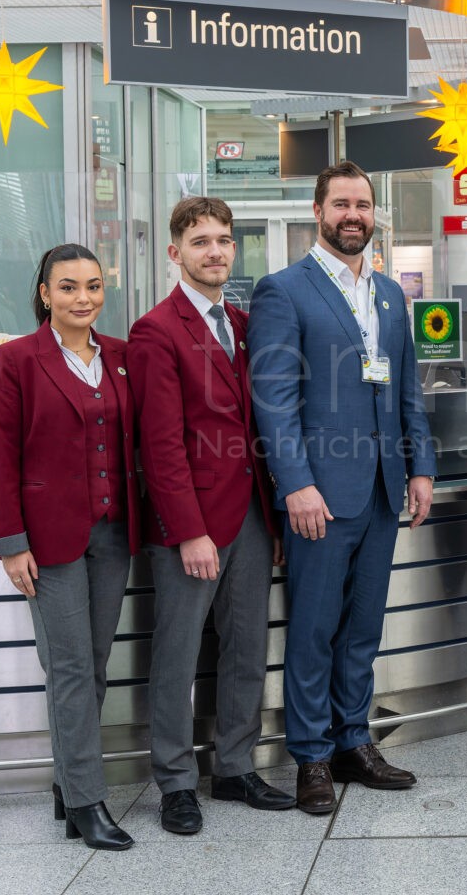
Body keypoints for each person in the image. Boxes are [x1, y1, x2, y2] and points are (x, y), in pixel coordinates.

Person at [249, 161, 437, 814]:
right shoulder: (284, 290)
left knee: (362, 628)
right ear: (318, 210)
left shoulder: (390, 294)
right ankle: (311, 756)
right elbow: (272, 400)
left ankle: (354, 741)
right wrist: (295, 483)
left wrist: (421, 467)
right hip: (320, 499)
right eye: (341, 204)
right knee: (314, 629)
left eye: (363, 204)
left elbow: (407, 389)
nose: (353, 214)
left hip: (383, 490)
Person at [127, 197, 294, 836]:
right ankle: (174, 781)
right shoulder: (156, 331)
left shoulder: (245, 326)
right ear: (176, 253)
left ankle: (233, 766)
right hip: (191, 522)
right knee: (177, 652)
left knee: (247, 646)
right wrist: (189, 530)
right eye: (200, 242)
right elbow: (160, 444)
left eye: (224, 240)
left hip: (251, 513)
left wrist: (271, 521)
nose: (216, 252)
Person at [0, 244, 139, 851]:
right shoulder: (16, 360)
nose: (84, 299)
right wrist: (10, 544)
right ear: (45, 293)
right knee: (70, 667)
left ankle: (68, 782)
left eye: (94, 287)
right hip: (47, 541)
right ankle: (86, 801)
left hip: (112, 533)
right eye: (69, 287)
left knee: (92, 666)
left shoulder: (121, 358)